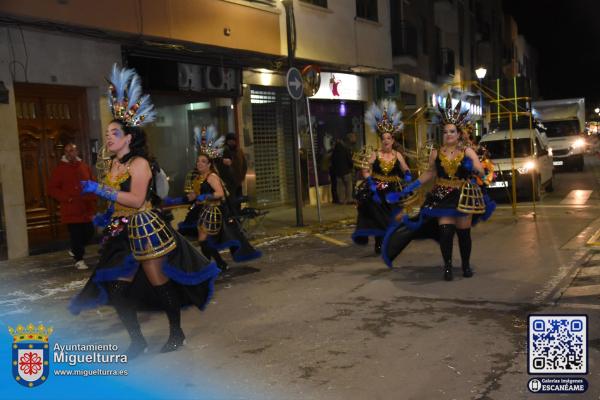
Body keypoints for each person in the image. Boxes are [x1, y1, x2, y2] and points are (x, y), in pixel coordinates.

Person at [69, 64, 221, 358]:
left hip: (144, 228)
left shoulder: (140, 164)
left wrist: (99, 190)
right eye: (108, 133)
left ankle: (177, 332)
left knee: (158, 283)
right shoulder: (113, 163)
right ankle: (137, 340)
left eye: (115, 133)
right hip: (120, 231)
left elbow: (137, 200)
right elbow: (117, 198)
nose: (109, 137)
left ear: (129, 137)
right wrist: (105, 211)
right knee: (115, 287)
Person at [382, 94, 496, 281]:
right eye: (445, 132)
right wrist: (406, 189)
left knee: (463, 234)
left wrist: (474, 168)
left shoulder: (467, 151)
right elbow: (429, 174)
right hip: (441, 196)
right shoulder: (436, 152)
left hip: (463, 196)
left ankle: (466, 266)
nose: (448, 135)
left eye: (452, 131)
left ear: (458, 133)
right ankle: (448, 267)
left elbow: (482, 173)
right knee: (445, 233)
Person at [186, 126, 262, 271]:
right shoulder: (198, 178)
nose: (199, 163)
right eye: (198, 161)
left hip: (215, 212)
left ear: (209, 164)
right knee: (205, 240)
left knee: (204, 239)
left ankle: (208, 266)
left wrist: (205, 196)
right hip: (204, 211)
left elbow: (220, 193)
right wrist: (183, 199)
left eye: (203, 161)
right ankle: (218, 264)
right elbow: (195, 195)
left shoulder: (212, 176)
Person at [351, 100, 412, 254]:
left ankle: (389, 241)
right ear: (381, 139)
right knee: (377, 216)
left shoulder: (397, 154)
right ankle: (379, 243)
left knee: (392, 217)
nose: (386, 141)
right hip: (377, 189)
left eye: (389, 138)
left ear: (392, 140)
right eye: (383, 138)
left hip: (392, 190)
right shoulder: (375, 154)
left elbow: (405, 168)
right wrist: (370, 181)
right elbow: (365, 168)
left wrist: (407, 175)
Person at [47, 142, 96, 270]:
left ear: (77, 152)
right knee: (76, 235)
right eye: (67, 151)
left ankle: (75, 249)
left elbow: (92, 182)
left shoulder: (84, 166)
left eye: (72, 150)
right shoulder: (60, 169)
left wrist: (93, 195)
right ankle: (79, 259)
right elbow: (52, 188)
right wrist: (66, 198)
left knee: (89, 232)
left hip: (85, 208)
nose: (70, 153)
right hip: (71, 208)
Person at [218, 132, 248, 214]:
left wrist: (241, 177)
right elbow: (218, 164)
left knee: (238, 203)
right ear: (227, 141)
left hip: (238, 182)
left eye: (233, 140)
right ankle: (233, 223)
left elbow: (244, 165)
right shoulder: (223, 151)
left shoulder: (239, 151)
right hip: (228, 184)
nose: (232, 142)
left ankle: (238, 222)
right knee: (231, 204)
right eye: (229, 141)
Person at [331, 132, 356, 205]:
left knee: (340, 186)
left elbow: (333, 160)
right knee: (348, 185)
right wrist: (352, 165)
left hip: (338, 171)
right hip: (346, 170)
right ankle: (349, 199)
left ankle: (341, 200)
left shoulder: (336, 150)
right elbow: (349, 159)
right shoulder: (346, 148)